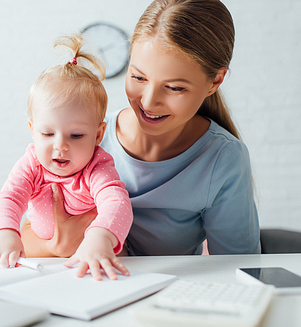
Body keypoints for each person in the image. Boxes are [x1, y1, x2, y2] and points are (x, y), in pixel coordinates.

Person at [21, 0, 261, 266]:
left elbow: (241, 269)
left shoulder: (223, 159)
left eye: (174, 88)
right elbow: (24, 237)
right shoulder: (80, 137)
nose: (148, 101)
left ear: (215, 81)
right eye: (138, 78)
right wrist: (56, 245)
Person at [0, 34, 133, 281]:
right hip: (45, 267)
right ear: (33, 129)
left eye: (76, 135)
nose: (60, 146)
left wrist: (100, 237)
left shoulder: (97, 166)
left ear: (98, 135)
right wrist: (4, 232)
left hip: (93, 263)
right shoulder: (32, 163)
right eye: (47, 133)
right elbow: (9, 198)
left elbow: (117, 202)